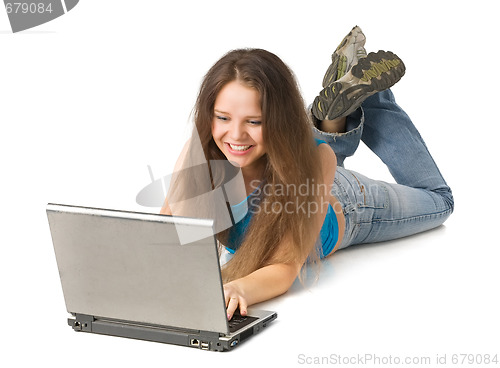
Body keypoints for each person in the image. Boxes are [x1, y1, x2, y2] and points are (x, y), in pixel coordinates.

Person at [160, 26, 454, 320]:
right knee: (311, 155)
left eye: (254, 121)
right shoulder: (198, 153)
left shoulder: (315, 162)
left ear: (278, 120)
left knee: (440, 200)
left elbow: (285, 268)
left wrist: (239, 289)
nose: (235, 135)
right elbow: (163, 234)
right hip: (300, 167)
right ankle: (334, 115)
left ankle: (371, 98)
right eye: (223, 117)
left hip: (350, 205)